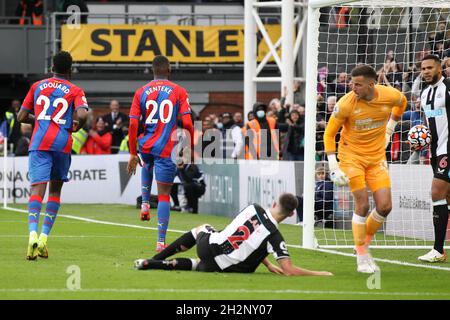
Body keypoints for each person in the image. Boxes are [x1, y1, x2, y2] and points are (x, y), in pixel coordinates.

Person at [324, 64, 407, 273]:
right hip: (351, 157)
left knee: (385, 206)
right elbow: (329, 134)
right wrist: (333, 165)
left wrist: (390, 129)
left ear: (372, 84)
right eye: (352, 83)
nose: (354, 88)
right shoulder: (345, 104)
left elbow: (402, 102)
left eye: (358, 84)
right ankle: (362, 256)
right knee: (362, 204)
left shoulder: (390, 95)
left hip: (376, 157)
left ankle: (362, 242)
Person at [134, 193, 333, 277]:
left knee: (202, 228)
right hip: (222, 266)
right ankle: (156, 264)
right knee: (199, 265)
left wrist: (268, 264)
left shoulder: (253, 207)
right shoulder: (275, 236)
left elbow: (247, 235)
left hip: (210, 245)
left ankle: (156, 259)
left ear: (274, 203)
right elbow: (288, 270)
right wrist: (319, 273)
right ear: (291, 214)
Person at [17, 51, 88, 260]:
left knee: (37, 189)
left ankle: (32, 234)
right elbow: (83, 114)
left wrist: (39, 120)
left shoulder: (37, 86)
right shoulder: (75, 89)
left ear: (51, 69)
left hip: (40, 143)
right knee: (55, 191)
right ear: (70, 70)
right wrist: (76, 125)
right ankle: (44, 238)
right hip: (61, 144)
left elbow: (21, 116)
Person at [127, 55, 194, 252]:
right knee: (164, 195)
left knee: (147, 164)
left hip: (146, 144)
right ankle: (160, 242)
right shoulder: (179, 91)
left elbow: (132, 123)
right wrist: (187, 146)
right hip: (166, 147)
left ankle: (145, 203)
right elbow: (188, 123)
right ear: (169, 69)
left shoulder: (141, 91)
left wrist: (132, 152)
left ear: (152, 70)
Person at [417, 55, 450, 263]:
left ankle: (438, 250)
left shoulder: (448, 87)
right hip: (435, 151)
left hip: (449, 150)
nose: (426, 71)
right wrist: (420, 139)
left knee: (436, 192)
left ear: (439, 68)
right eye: (423, 68)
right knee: (447, 198)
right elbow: (431, 122)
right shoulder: (424, 93)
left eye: (430, 67)